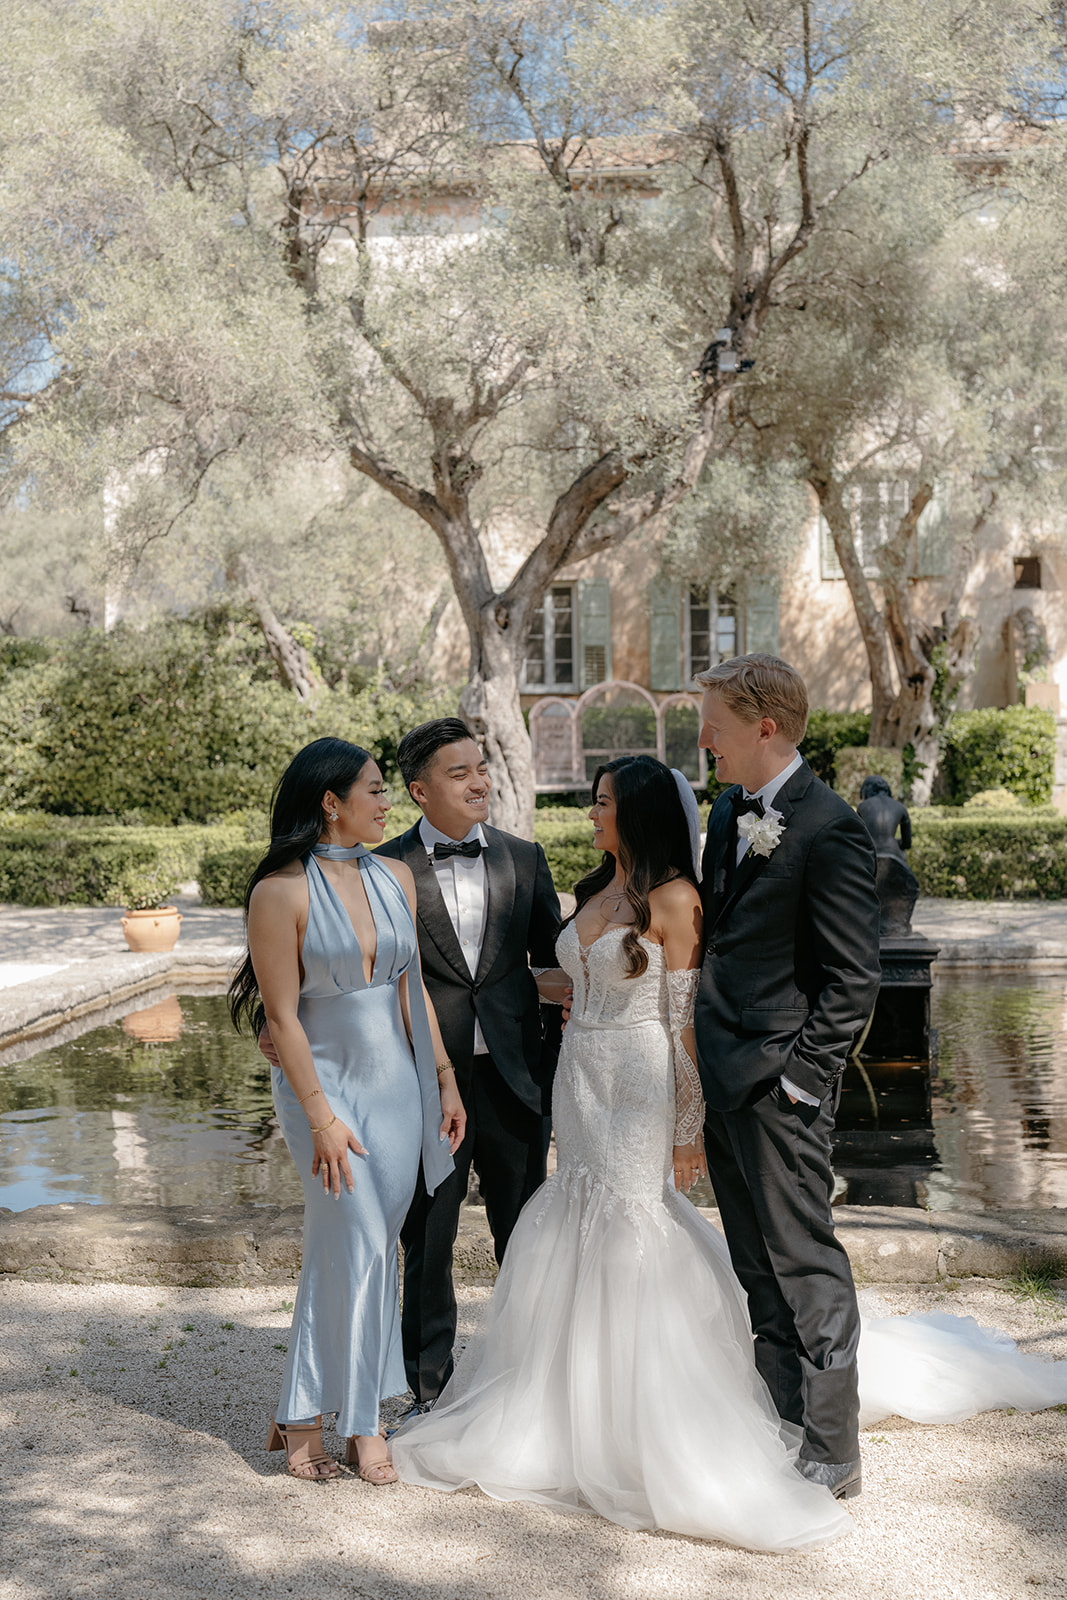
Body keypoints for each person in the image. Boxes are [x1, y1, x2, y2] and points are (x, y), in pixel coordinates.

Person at [391, 751, 1067, 1550]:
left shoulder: (675, 898)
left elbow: (682, 1022)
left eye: (601, 801)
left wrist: (685, 1133)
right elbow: (571, 980)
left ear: (633, 812)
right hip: (581, 1082)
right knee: (573, 1218)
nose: (590, 813)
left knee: (636, 1226)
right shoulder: (591, 888)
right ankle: (561, 1404)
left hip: (641, 1082)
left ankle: (650, 1415)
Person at [229, 738, 465, 1483]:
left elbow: (410, 989)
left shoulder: (396, 874)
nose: (386, 802)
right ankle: (359, 1426)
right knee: (357, 1243)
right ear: (330, 801)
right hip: (322, 1092)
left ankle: (297, 1415)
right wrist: (321, 1116)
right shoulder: (279, 892)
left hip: (400, 1088)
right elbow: (284, 1018)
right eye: (373, 790)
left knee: (354, 1251)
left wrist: (445, 1078)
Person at [695, 654, 881, 1502]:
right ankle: (783, 1421)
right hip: (723, 1079)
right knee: (751, 1262)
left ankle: (834, 1448)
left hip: (779, 1086)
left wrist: (802, 1083)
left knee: (803, 1260)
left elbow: (852, 980)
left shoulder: (828, 826)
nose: (705, 741)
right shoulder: (729, 810)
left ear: (764, 727)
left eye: (716, 726)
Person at [376, 717, 562, 1419]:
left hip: (516, 1080)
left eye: (480, 768)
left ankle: (533, 1379)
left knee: (526, 1236)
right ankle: (427, 1391)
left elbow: (555, 960)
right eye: (459, 773)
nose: (480, 781)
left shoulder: (523, 857)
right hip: (425, 1084)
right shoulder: (386, 868)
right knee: (429, 1239)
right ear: (420, 792)